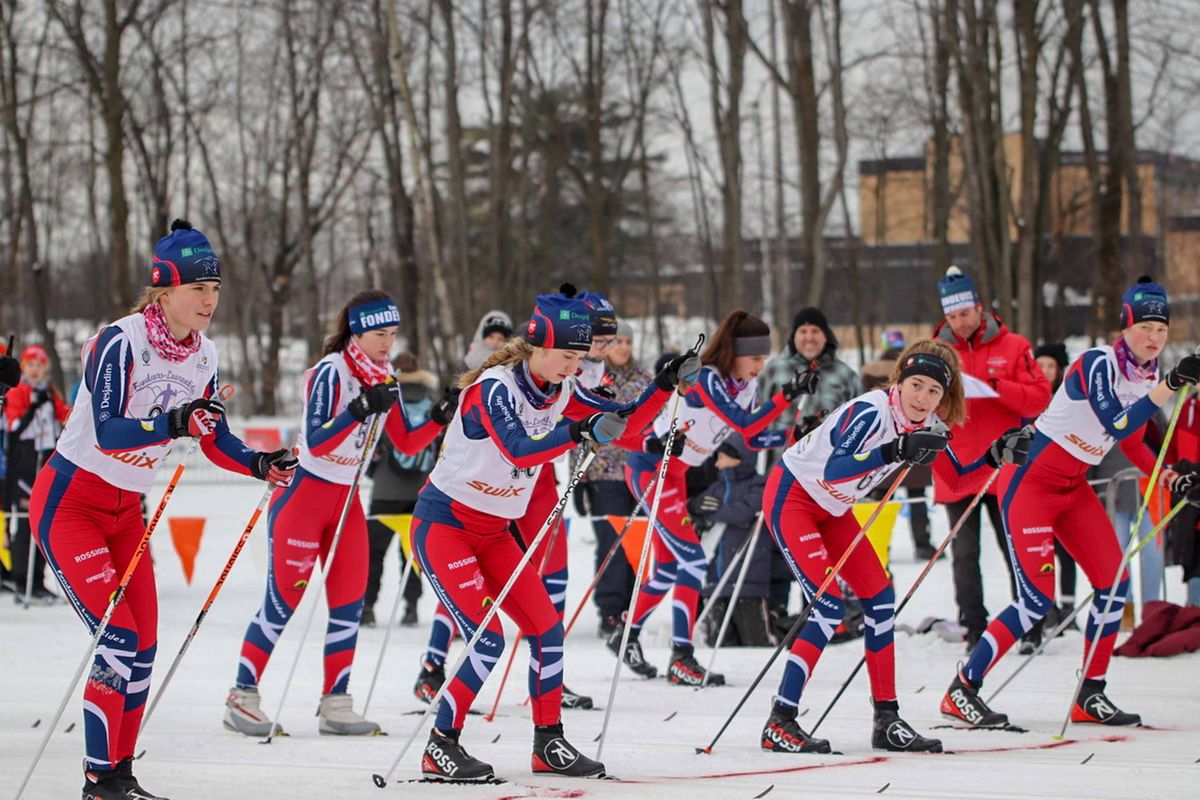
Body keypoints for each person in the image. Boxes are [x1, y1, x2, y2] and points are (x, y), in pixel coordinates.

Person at [29, 220, 297, 800]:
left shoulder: (206, 354)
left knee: (145, 644)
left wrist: (258, 463)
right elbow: (108, 431)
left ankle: (121, 774)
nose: (209, 300)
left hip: (126, 511)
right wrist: (173, 421)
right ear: (164, 290)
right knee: (118, 641)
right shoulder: (120, 341)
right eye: (198, 288)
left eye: (215, 288)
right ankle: (98, 779)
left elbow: (212, 435)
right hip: (71, 503)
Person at [409, 289, 689, 781]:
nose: (574, 367)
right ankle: (440, 745)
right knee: (487, 640)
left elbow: (624, 425)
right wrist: (578, 433)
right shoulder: (494, 389)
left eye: (580, 358)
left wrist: (665, 386)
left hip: (494, 533)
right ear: (538, 346)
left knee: (546, 629)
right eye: (567, 356)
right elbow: (518, 449)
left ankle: (548, 742)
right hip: (445, 526)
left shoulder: (562, 387)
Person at [941, 276, 1200, 730]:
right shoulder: (1096, 364)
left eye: (1161, 330)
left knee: (1113, 584)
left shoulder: (1146, 376)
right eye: (1145, 328)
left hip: (1073, 487)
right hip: (1030, 484)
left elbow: (1134, 442)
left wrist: (1169, 477)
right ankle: (963, 688)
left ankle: (1090, 692)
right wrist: (1170, 385)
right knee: (1035, 601)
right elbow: (1117, 424)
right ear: (1125, 327)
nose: (1154, 338)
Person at [760, 338, 1031, 754]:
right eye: (916, 385)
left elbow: (957, 481)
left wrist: (995, 458)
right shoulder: (872, 411)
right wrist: (894, 449)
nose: (922, 398)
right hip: (793, 497)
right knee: (829, 607)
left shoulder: (929, 426)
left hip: (833, 509)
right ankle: (781, 719)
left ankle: (886, 719)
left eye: (934, 391)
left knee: (881, 600)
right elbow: (834, 469)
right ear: (899, 381)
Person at [224, 290, 456, 738]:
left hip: (346, 500)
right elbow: (316, 440)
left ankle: (337, 703)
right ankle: (242, 695)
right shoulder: (332, 372)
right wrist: (359, 408)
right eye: (379, 334)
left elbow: (406, 442)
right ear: (357, 332)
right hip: (304, 496)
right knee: (283, 601)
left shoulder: (385, 375)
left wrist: (438, 417)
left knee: (349, 603)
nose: (388, 343)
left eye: (393, 333)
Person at [611, 309, 818, 687]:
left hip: (677, 476)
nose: (759, 367)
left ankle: (626, 634)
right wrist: (787, 394)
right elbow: (744, 423)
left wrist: (795, 434)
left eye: (764, 359)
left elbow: (751, 437)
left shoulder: (745, 387)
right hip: (651, 469)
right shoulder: (708, 378)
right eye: (754, 358)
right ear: (733, 353)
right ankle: (681, 656)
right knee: (693, 560)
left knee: (668, 569)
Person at [932, 267, 1052, 652]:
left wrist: (998, 388)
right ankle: (974, 626)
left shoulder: (1014, 346)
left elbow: (1039, 399)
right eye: (952, 316)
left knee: (1014, 547)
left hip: (1005, 466)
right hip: (957, 468)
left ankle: (1030, 622)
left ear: (979, 308)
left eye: (965, 314)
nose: (959, 323)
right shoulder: (936, 351)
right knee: (965, 555)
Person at [578, 319, 651, 636]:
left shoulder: (645, 379)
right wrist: (580, 479)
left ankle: (630, 609)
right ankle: (609, 609)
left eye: (628, 342)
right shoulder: (591, 377)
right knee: (612, 545)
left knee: (636, 544)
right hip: (604, 474)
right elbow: (579, 428)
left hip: (639, 474)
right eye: (617, 341)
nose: (623, 347)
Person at [362, 352, 440, 628]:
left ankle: (367, 607)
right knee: (412, 554)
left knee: (374, 553)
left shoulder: (387, 400)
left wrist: (374, 472)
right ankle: (411, 607)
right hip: (420, 493)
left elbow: (371, 445)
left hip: (385, 490)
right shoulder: (432, 404)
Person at [3, 344, 71, 601]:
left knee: (44, 523)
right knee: (24, 523)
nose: (34, 369)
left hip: (47, 460)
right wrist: (33, 408)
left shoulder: (49, 391)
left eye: (39, 365)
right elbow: (14, 427)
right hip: (24, 463)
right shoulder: (18, 390)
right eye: (30, 364)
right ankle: (22, 581)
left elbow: (65, 415)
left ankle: (38, 580)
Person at [862, 329, 935, 561]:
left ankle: (880, 544)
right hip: (914, 439)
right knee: (917, 498)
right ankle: (923, 544)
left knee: (882, 500)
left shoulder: (870, 371)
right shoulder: (917, 372)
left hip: (885, 443)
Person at [760, 306, 862, 436]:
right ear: (794, 336)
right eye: (803, 331)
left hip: (829, 448)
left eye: (815, 331)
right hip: (782, 448)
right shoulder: (772, 371)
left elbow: (859, 422)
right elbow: (755, 420)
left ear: (826, 336)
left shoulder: (846, 376)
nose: (809, 337)